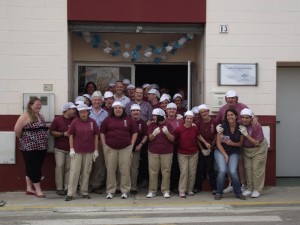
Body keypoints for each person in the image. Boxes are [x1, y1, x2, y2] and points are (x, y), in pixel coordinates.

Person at [100, 101, 138, 199]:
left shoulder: (128, 120)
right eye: (116, 108)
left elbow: (134, 132)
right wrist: (104, 145)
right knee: (111, 170)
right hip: (110, 149)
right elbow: (102, 133)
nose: (118, 109)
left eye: (120, 108)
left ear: (123, 109)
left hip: (125, 148)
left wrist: (132, 144)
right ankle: (110, 190)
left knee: (125, 170)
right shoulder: (107, 120)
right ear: (113, 110)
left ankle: (125, 190)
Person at [14, 97, 49, 198]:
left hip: (41, 147)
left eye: (40, 104)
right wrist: (22, 139)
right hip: (29, 147)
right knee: (34, 168)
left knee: (32, 167)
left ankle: (29, 188)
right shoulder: (25, 116)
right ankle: (38, 190)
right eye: (36, 104)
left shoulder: (40, 116)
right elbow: (17, 129)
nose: (39, 106)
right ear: (30, 105)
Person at [65, 104, 99, 201]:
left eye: (84, 112)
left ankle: (84, 192)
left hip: (89, 150)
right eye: (81, 112)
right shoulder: (75, 122)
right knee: (74, 172)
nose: (83, 114)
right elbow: (70, 135)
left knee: (86, 172)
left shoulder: (93, 122)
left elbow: (96, 136)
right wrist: (71, 148)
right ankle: (71, 193)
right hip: (77, 151)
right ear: (78, 113)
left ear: (88, 112)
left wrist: (96, 150)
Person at [215, 90, 248, 193]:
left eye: (233, 98)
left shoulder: (243, 107)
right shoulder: (222, 109)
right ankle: (231, 184)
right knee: (228, 163)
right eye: (229, 98)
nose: (231, 100)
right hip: (226, 139)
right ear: (226, 99)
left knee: (240, 162)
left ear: (236, 99)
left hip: (240, 137)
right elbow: (217, 121)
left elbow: (251, 118)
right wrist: (217, 128)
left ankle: (242, 184)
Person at [174, 111, 211, 198]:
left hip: (193, 153)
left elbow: (198, 136)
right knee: (184, 172)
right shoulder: (179, 129)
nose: (189, 120)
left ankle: (189, 189)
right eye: (188, 118)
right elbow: (174, 139)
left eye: (191, 118)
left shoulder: (195, 128)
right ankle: (182, 191)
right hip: (182, 153)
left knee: (192, 172)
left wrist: (205, 143)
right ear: (184, 119)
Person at [239, 108, 268, 198]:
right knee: (248, 168)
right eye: (242, 117)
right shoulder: (240, 123)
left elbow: (256, 142)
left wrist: (245, 134)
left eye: (247, 118)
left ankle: (257, 189)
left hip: (258, 148)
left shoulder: (256, 125)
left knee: (256, 169)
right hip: (246, 150)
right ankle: (249, 189)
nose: (244, 119)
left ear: (251, 118)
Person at [50, 102, 77, 196]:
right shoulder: (57, 120)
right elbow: (52, 132)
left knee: (69, 168)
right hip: (59, 148)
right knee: (60, 166)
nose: (74, 111)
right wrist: (63, 134)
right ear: (66, 110)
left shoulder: (75, 120)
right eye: (72, 109)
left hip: (71, 148)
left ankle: (67, 187)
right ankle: (59, 188)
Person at [146, 108, 174, 198]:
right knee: (153, 171)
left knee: (166, 171)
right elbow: (149, 138)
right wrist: (154, 134)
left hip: (167, 152)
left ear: (160, 116)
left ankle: (165, 190)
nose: (153, 117)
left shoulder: (168, 125)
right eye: (153, 115)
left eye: (155, 116)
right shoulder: (151, 125)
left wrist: (167, 133)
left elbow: (172, 139)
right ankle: (152, 190)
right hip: (153, 151)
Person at [89, 91, 109, 194]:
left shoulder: (105, 113)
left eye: (98, 100)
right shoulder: (86, 111)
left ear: (102, 101)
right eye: (95, 99)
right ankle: (85, 185)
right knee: (87, 163)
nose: (96, 101)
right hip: (88, 141)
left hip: (100, 141)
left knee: (98, 164)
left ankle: (96, 185)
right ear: (91, 101)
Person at [194, 104, 217, 194]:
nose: (204, 113)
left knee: (210, 168)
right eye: (201, 112)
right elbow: (197, 137)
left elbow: (216, 135)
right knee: (200, 168)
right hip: (201, 149)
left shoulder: (214, 122)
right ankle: (197, 187)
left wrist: (211, 147)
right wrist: (202, 149)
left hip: (211, 148)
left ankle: (214, 188)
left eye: (205, 111)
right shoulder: (198, 123)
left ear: (208, 111)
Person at [165, 102, 183, 194]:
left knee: (176, 167)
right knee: (166, 167)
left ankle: (175, 186)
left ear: (176, 111)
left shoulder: (180, 121)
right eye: (169, 109)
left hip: (177, 146)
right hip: (166, 146)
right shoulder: (163, 120)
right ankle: (166, 186)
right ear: (166, 110)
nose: (171, 111)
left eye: (173, 109)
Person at [129, 104, 148, 194]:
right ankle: (122, 186)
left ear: (140, 112)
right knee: (123, 168)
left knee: (134, 168)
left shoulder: (142, 123)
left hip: (136, 149)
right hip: (125, 149)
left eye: (137, 111)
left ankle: (133, 187)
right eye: (134, 111)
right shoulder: (126, 121)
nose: (135, 112)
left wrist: (140, 144)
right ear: (130, 112)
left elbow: (145, 135)